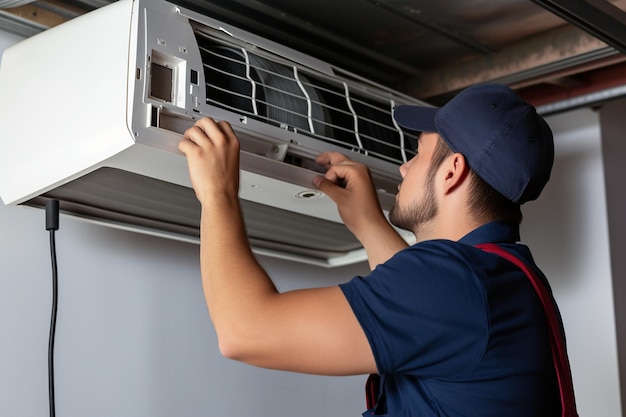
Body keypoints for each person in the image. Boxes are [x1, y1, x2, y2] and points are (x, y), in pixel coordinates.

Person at [178, 83, 574, 416]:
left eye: (417, 154)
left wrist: (218, 194)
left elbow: (245, 331)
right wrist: (368, 223)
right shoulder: (505, 278)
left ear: (452, 172)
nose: (403, 168)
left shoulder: (457, 282)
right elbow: (426, 314)